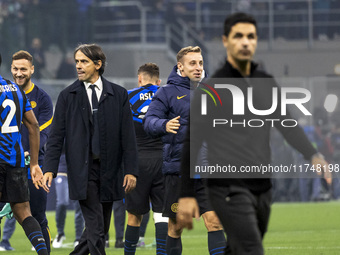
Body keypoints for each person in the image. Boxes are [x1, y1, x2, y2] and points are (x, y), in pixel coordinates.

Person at [176, 13, 330, 255]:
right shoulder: (213, 87)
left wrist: (312, 154)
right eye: (238, 36)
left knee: (238, 248)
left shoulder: (265, 82)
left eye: (251, 36)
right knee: (252, 249)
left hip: (262, 185)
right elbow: (192, 141)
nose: (245, 42)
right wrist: (185, 194)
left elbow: (286, 123)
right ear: (226, 41)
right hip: (225, 185)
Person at [42, 43, 138, 255]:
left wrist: (131, 170)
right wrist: (49, 168)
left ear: (98, 64)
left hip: (111, 171)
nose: (78, 66)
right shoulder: (68, 96)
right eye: (77, 61)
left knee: (98, 228)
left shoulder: (119, 94)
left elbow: (128, 137)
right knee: (96, 227)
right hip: (82, 172)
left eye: (83, 61)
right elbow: (56, 136)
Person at [143, 47, 226, 255]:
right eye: (192, 63)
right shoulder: (166, 92)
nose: (198, 68)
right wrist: (164, 125)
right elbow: (149, 121)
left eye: (200, 63)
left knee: (214, 222)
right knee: (176, 227)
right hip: (178, 171)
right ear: (180, 66)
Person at [0, 50, 53, 253]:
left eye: (23, 69)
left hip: (32, 163)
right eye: (15, 68)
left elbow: (42, 131)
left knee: (38, 215)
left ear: (32, 69)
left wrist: (33, 161)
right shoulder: (15, 90)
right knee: (25, 213)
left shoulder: (43, 98)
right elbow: (33, 126)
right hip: (17, 162)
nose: (19, 73)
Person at [124, 63, 168, 255]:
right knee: (162, 216)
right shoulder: (168, 96)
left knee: (134, 216)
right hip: (163, 162)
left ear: (139, 79)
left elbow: (121, 132)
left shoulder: (127, 97)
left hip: (137, 163)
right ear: (159, 81)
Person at [52, 151, 85, 249]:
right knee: (62, 203)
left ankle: (79, 237)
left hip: (78, 170)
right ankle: (60, 233)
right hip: (62, 169)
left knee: (79, 204)